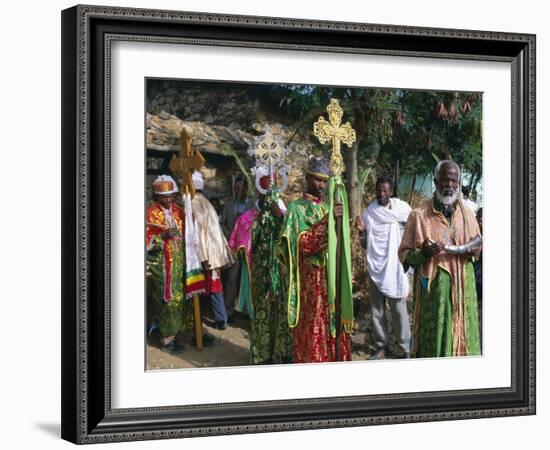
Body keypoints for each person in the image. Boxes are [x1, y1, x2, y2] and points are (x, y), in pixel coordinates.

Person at [398, 160, 482, 358]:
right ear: (436, 181)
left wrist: (474, 251)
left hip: (464, 293)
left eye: (454, 181)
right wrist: (423, 254)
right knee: (434, 348)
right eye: (445, 180)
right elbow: (404, 255)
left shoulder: (468, 215)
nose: (450, 185)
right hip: (434, 297)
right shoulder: (418, 216)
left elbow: (477, 251)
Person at [278, 157, 352, 363]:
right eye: (317, 180)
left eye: (324, 181)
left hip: (332, 279)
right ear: (307, 178)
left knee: (333, 323)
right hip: (311, 283)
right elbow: (303, 244)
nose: (321, 185)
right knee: (314, 324)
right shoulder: (295, 209)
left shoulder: (327, 208)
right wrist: (327, 224)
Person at [358, 176, 412, 359]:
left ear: (391, 192)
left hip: (395, 267)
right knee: (377, 309)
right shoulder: (369, 213)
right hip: (376, 267)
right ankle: (381, 346)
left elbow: (411, 235)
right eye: (379, 190)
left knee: (398, 309)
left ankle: (406, 347)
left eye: (385, 190)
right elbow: (365, 244)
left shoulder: (403, 211)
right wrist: (361, 232)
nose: (381, 194)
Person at [146, 175, 193, 353]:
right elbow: (145, 239)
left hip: (180, 263)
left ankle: (171, 333)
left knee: (179, 299)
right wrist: (161, 237)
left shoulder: (178, 211)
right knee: (168, 300)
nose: (169, 199)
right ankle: (166, 340)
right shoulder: (150, 213)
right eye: (165, 197)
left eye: (171, 195)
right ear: (157, 197)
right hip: (161, 266)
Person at [192, 171, 236, 330]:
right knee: (215, 285)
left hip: (206, 253)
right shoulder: (206, 202)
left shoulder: (194, 204)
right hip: (215, 251)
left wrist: (202, 256)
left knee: (211, 285)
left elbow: (198, 232)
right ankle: (220, 318)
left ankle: (220, 318)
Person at [221, 175, 255, 321]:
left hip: (249, 248)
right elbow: (222, 223)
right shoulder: (228, 205)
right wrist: (230, 233)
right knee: (231, 278)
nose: (237, 191)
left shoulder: (253, 205)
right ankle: (228, 310)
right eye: (235, 188)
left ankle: (247, 310)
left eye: (240, 188)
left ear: (246, 189)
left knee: (248, 278)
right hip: (233, 246)